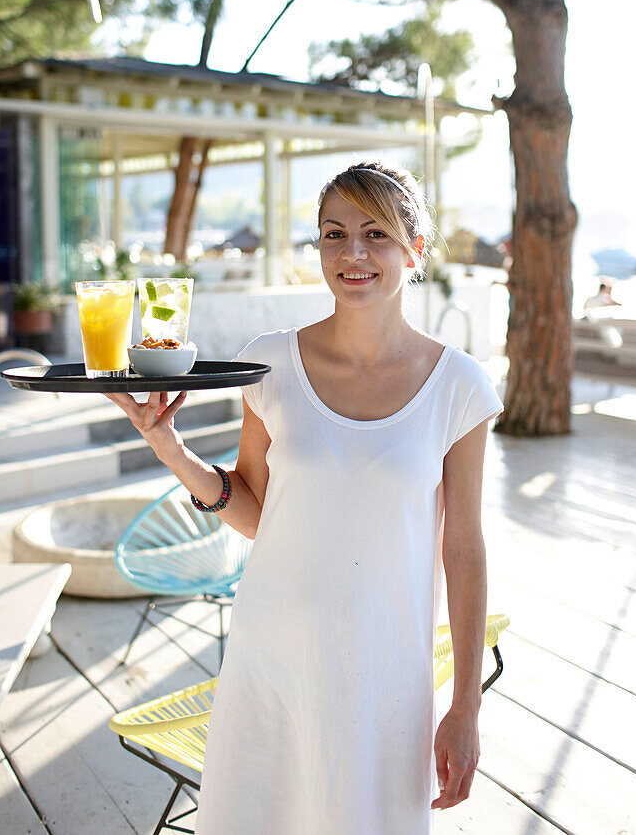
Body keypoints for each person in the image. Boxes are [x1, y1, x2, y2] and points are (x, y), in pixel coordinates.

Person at [105, 161, 503, 834]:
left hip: (385, 677)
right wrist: (170, 448)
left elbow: (462, 548)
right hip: (272, 663)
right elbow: (255, 509)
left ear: (415, 250)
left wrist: (464, 706)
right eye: (332, 234)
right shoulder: (272, 363)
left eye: (374, 234)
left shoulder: (458, 386)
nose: (351, 253)